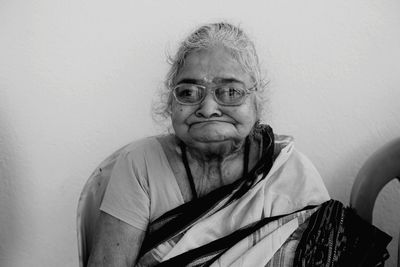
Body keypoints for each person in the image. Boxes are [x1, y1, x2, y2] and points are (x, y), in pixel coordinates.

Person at [87, 22, 391, 266]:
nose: (207, 108)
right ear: (171, 104)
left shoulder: (290, 173)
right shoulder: (140, 164)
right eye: (189, 92)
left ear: (256, 103)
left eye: (230, 92)